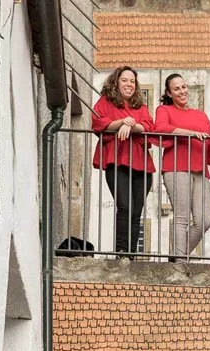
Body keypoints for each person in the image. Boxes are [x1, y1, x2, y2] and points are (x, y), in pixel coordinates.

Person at [154, 73, 210, 260]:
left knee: (204, 221)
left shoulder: (200, 115)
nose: (182, 91)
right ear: (169, 93)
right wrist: (189, 133)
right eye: (176, 89)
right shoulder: (164, 110)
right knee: (181, 217)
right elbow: (159, 129)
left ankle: (177, 256)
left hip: (200, 168)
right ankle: (180, 261)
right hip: (176, 166)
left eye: (183, 87)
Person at [91, 65, 155, 256]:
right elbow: (98, 123)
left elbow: (149, 127)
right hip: (117, 161)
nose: (129, 84)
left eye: (132, 81)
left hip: (141, 164)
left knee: (136, 212)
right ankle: (121, 251)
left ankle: (131, 254)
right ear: (116, 82)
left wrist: (132, 123)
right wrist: (122, 122)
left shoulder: (141, 107)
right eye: (125, 80)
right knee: (124, 207)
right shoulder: (105, 103)